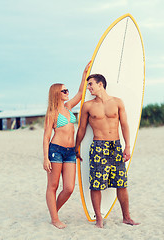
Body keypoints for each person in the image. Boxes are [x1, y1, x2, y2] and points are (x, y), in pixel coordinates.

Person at [75, 74, 140, 228]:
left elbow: (124, 125)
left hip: (116, 146)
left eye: (91, 84)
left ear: (100, 84)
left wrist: (128, 146)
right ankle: (98, 219)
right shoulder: (88, 106)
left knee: (121, 183)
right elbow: (82, 128)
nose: (89, 88)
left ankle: (127, 217)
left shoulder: (117, 102)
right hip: (98, 147)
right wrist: (76, 146)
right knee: (96, 184)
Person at [43, 61, 91, 229]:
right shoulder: (52, 113)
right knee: (53, 186)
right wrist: (45, 158)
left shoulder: (69, 107)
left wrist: (84, 75)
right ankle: (55, 219)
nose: (67, 92)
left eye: (66, 89)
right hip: (55, 150)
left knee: (69, 188)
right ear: (57, 93)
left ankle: (53, 212)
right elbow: (46, 136)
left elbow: (80, 92)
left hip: (70, 151)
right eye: (64, 90)